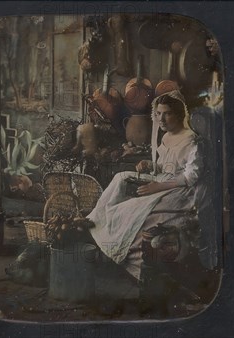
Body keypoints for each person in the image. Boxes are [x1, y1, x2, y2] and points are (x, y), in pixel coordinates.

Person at [87, 90, 206, 280]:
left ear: (179, 114)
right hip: (163, 180)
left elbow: (190, 177)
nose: (161, 119)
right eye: (158, 114)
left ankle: (119, 249)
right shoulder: (166, 137)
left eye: (167, 113)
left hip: (180, 191)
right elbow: (165, 165)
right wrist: (151, 165)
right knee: (121, 177)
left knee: (132, 207)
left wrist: (157, 187)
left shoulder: (191, 140)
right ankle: (95, 220)